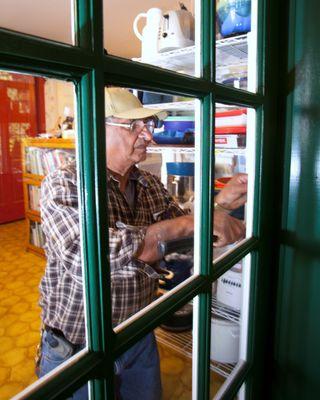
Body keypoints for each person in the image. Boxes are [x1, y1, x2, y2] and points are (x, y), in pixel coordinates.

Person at [37, 87, 247, 399]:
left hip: (138, 334)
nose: (148, 136)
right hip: (79, 346)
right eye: (134, 126)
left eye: (148, 126)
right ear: (97, 129)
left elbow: (184, 236)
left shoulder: (149, 184)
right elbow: (88, 256)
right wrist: (193, 221)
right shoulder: (64, 183)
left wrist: (221, 205)